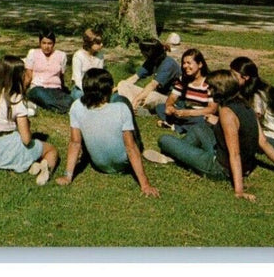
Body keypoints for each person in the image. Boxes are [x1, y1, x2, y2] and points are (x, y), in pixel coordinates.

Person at [151, 70, 274, 201]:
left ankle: (177, 155)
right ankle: (181, 154)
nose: (208, 92)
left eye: (211, 89)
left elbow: (234, 153)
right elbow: (263, 142)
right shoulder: (246, 105)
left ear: (220, 89)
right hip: (242, 162)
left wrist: (239, 190)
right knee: (199, 129)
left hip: (219, 168)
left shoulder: (227, 113)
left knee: (164, 139)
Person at [55, 68, 159, 197]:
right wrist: (145, 184)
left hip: (99, 164)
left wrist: (67, 177)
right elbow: (130, 147)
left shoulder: (76, 106)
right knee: (121, 99)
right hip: (124, 165)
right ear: (108, 91)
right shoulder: (121, 109)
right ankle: (141, 145)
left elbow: (75, 143)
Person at [0, 56, 60, 185]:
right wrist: (27, 127)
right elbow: (26, 139)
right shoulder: (15, 98)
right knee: (51, 150)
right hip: (10, 148)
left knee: (28, 149)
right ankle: (45, 169)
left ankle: (33, 165)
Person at [230, 56, 274, 156]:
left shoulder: (257, 96)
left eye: (234, 75)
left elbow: (252, 122)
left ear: (246, 77)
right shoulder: (263, 88)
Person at [155, 48, 217, 134]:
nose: (185, 66)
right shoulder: (183, 79)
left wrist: (189, 113)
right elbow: (172, 97)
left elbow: (212, 109)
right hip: (185, 111)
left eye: (189, 63)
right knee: (160, 107)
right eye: (184, 63)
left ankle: (177, 126)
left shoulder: (210, 83)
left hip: (200, 114)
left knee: (203, 121)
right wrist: (169, 106)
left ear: (200, 64)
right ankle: (181, 125)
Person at [116, 38, 182, 114]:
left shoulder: (168, 64)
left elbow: (152, 85)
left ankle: (135, 105)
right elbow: (135, 78)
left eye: (142, 51)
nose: (141, 53)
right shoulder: (152, 60)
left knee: (151, 97)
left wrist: (136, 99)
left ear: (148, 53)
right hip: (155, 93)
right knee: (123, 84)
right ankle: (134, 106)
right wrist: (114, 89)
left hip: (169, 98)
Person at [23, 29, 71, 113]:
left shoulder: (61, 55)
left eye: (49, 43)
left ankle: (54, 106)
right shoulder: (33, 53)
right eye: (44, 43)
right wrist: (23, 91)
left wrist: (63, 89)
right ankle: (62, 108)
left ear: (54, 44)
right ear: (40, 43)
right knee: (41, 95)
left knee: (70, 100)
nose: (46, 46)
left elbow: (61, 76)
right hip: (38, 88)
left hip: (55, 89)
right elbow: (28, 76)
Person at [70, 28, 106, 101]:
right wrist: (89, 92)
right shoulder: (78, 56)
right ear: (89, 43)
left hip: (95, 87)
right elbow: (77, 80)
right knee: (80, 95)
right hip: (81, 88)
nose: (101, 45)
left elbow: (100, 75)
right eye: (98, 43)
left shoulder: (100, 55)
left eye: (101, 42)